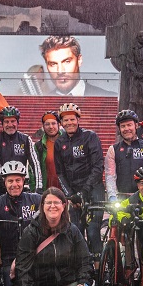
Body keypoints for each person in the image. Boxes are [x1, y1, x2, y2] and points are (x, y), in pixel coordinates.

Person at [14, 188, 94, 286]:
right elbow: (22, 267)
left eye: (56, 202)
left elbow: (86, 260)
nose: (52, 206)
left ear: (64, 205)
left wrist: (83, 285)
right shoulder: (30, 232)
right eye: (48, 202)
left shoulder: (73, 231)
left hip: (64, 285)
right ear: (42, 206)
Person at [52, 103, 105, 252]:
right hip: (74, 193)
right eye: (66, 120)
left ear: (78, 120)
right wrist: (70, 194)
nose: (69, 123)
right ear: (61, 123)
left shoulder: (90, 137)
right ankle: (81, 268)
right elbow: (60, 172)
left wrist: (84, 191)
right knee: (76, 233)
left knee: (94, 232)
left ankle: (98, 268)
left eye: (72, 119)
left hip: (94, 189)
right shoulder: (59, 143)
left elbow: (98, 166)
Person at [30, 34, 111, 96]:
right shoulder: (42, 105)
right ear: (47, 66)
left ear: (79, 60)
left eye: (67, 61)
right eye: (53, 64)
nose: (60, 71)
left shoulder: (108, 99)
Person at [105, 109, 143, 202]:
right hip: (121, 198)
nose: (126, 129)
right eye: (123, 126)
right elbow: (110, 175)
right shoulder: (113, 149)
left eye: (129, 125)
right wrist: (112, 196)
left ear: (136, 125)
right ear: (119, 129)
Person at [0, 107, 42, 194]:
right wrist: (5, 185)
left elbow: (35, 163)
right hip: (0, 188)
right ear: (2, 124)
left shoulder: (26, 139)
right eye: (6, 122)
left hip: (19, 186)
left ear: (18, 122)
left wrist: (39, 186)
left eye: (13, 121)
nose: (10, 125)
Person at [34, 110, 63, 191]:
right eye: (47, 124)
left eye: (53, 123)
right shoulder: (39, 146)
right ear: (43, 126)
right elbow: (33, 171)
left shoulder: (68, 142)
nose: (50, 127)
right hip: (47, 190)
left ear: (59, 124)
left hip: (66, 191)